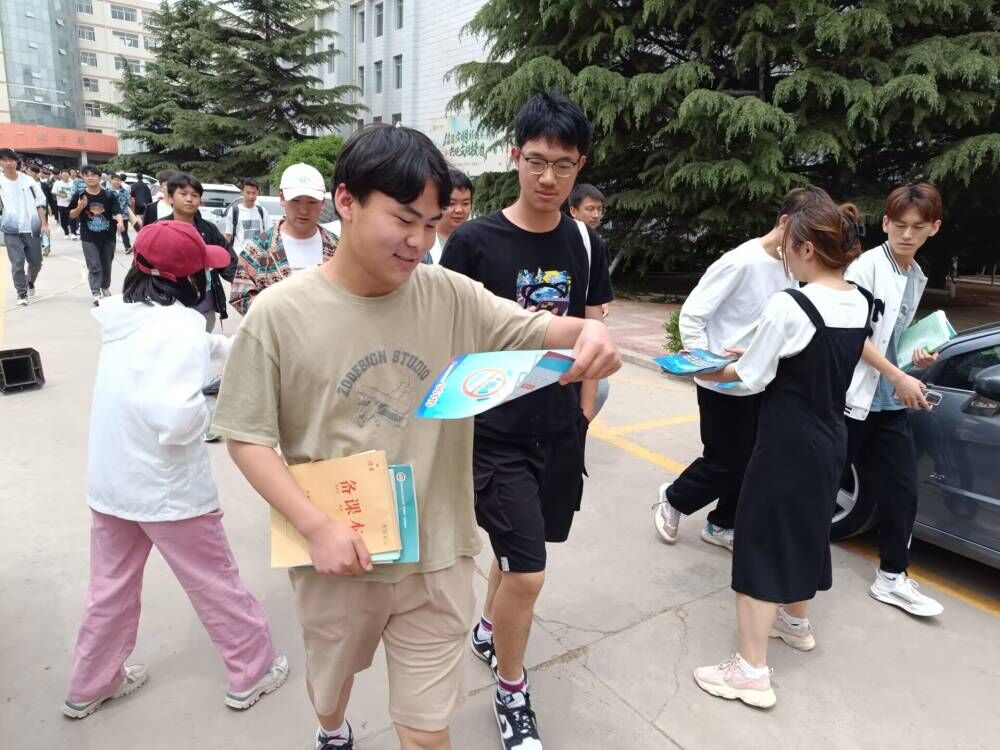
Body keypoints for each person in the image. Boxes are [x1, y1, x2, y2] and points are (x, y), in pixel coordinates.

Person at [211, 123, 621, 750]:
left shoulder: (449, 294)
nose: (418, 242)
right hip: (338, 556)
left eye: (430, 224)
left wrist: (590, 334)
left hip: (438, 552)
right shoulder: (279, 314)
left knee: (428, 732)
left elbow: (536, 328)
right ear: (346, 201)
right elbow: (247, 436)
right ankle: (333, 730)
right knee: (332, 689)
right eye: (403, 219)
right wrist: (315, 526)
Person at [440, 91, 613, 750]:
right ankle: (511, 691)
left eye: (563, 165)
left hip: (559, 430)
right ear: (514, 156)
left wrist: (585, 412)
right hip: (493, 435)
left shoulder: (586, 243)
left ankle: (489, 631)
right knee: (530, 573)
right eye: (536, 161)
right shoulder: (473, 242)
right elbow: (448, 341)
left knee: (519, 555)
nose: (547, 178)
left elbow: (591, 328)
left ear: (579, 166)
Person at [62, 220, 287, 721]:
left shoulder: (123, 316)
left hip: (112, 485)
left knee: (109, 589)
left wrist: (239, 348)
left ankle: (90, 683)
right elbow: (178, 419)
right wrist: (218, 406)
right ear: (184, 279)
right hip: (167, 492)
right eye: (202, 272)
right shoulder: (182, 327)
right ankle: (252, 670)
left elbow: (181, 352)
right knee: (214, 582)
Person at [692, 198, 872, 709]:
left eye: (789, 248)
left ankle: (750, 670)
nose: (784, 257)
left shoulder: (792, 303)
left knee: (761, 539)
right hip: (830, 435)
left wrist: (702, 367)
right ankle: (795, 622)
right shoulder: (859, 301)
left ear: (807, 248)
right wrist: (751, 353)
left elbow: (751, 376)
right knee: (807, 528)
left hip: (786, 442)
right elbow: (801, 354)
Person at [652, 186, 830, 551]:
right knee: (724, 460)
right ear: (785, 223)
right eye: (806, 236)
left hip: (760, 377)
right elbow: (693, 314)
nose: (810, 248)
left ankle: (722, 524)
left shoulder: (791, 265)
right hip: (722, 380)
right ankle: (674, 498)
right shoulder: (741, 262)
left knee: (752, 459)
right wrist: (702, 361)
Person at [841, 183, 945, 617]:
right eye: (899, 225)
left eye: (917, 227)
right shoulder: (865, 269)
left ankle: (891, 577)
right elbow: (850, 334)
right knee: (816, 483)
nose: (907, 234)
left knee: (902, 488)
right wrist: (898, 375)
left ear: (933, 228)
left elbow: (889, 337)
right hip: (849, 397)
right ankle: (769, 551)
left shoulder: (914, 274)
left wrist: (913, 356)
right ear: (885, 222)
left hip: (887, 402)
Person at [229, 163, 337, 316]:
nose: (303, 210)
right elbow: (240, 297)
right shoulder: (259, 248)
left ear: (323, 203)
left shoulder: (336, 247)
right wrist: (281, 313)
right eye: (296, 200)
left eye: (312, 201)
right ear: (282, 198)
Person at [150, 173, 237, 332]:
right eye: (183, 194)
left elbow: (227, 258)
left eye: (195, 195)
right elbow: (143, 264)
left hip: (204, 304)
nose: (189, 199)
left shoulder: (208, 229)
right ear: (170, 198)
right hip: (169, 304)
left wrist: (238, 282)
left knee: (202, 343)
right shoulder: (158, 229)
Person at [69, 165, 124, 305]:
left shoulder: (109, 195)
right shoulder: (79, 195)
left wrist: (120, 222)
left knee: (106, 264)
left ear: (99, 177)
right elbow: (71, 214)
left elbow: (117, 211)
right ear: (83, 177)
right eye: (86, 175)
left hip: (108, 236)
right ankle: (95, 291)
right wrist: (80, 207)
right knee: (94, 265)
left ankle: (105, 286)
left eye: (93, 175)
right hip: (88, 237)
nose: (90, 177)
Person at [1, 147, 49, 306]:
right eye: (4, 160)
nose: (8, 163)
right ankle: (21, 293)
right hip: (11, 229)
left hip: (32, 227)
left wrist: (44, 224)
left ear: (17, 161)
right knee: (17, 263)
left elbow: (40, 202)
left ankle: (30, 281)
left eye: (11, 160)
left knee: (36, 262)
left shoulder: (28, 181)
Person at [423, 168, 473, 263]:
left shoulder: (479, 240)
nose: (459, 210)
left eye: (465, 203)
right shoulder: (422, 243)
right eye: (451, 203)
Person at [221, 178, 271, 253]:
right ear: (242, 192)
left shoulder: (262, 211)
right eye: (248, 193)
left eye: (254, 193)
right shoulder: (234, 211)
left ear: (257, 193)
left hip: (257, 256)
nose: (251, 196)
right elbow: (228, 235)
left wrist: (261, 246)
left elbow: (268, 233)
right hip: (239, 255)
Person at [109, 173, 133, 254]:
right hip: (112, 215)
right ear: (111, 181)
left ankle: (128, 247)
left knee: (124, 231)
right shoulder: (107, 191)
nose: (117, 182)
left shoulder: (125, 191)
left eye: (118, 180)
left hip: (123, 215)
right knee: (112, 232)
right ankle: (111, 248)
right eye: (115, 180)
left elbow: (129, 202)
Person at [53, 169, 75, 238]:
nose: (65, 176)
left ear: (69, 175)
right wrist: (61, 194)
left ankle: (73, 233)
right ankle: (66, 233)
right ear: (61, 175)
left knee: (72, 219)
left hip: (71, 204)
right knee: (63, 220)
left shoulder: (73, 183)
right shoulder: (57, 183)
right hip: (61, 204)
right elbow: (53, 192)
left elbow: (76, 192)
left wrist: (73, 198)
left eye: (66, 174)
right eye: (63, 174)